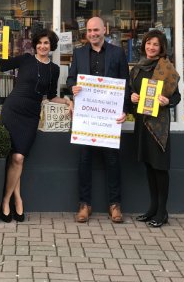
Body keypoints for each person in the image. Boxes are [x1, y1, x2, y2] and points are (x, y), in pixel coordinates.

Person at [0, 25, 72, 222]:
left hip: (30, 116)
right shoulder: (25, 60)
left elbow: (52, 96)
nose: (43, 46)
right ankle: (14, 201)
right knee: (14, 158)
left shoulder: (54, 69)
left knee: (19, 158)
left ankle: (8, 198)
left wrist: (68, 101)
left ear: (51, 45)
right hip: (13, 110)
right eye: (39, 43)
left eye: (46, 43)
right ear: (35, 45)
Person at [67, 16, 129, 224]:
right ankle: (84, 204)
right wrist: (72, 87)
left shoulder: (117, 53)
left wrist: (125, 110)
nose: (93, 34)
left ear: (105, 30)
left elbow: (125, 84)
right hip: (86, 118)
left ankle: (115, 204)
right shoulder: (79, 53)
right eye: (89, 31)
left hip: (110, 118)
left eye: (96, 30)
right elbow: (70, 79)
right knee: (84, 161)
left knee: (113, 161)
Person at [129, 30, 179, 228]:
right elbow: (132, 92)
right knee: (149, 167)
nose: (151, 47)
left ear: (161, 47)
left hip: (158, 126)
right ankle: (152, 209)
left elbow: (177, 97)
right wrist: (132, 98)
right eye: (149, 43)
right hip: (142, 123)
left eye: (155, 45)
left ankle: (162, 212)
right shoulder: (138, 68)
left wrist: (167, 101)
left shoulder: (165, 67)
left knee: (160, 168)